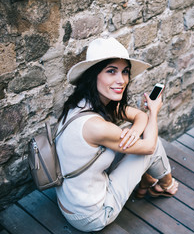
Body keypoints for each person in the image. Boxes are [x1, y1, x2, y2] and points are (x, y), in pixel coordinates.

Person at [55, 37, 178, 232]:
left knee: (138, 136)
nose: (121, 80)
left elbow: (137, 115)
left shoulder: (83, 103)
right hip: (89, 217)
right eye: (111, 71)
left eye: (125, 72)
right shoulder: (96, 126)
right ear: (93, 75)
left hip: (68, 200)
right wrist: (153, 111)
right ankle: (166, 185)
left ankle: (148, 182)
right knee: (151, 145)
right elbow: (149, 147)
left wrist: (136, 129)